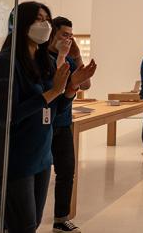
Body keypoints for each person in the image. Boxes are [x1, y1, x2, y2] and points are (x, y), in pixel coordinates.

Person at [0, 1, 81, 233]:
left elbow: (54, 111)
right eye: (38, 19)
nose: (45, 25)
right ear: (21, 24)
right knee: (22, 225)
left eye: (47, 20)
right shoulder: (4, 63)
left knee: (29, 223)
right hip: (13, 158)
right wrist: (53, 92)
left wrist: (70, 88)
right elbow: (6, 116)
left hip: (40, 155)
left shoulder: (45, 62)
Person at [47, 17, 97, 233]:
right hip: (43, 123)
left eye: (70, 36)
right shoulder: (43, 57)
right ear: (53, 34)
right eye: (64, 35)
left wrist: (76, 56)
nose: (68, 39)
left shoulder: (69, 57)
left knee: (67, 171)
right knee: (35, 174)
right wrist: (62, 57)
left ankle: (61, 219)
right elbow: (54, 87)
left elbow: (85, 84)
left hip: (63, 121)